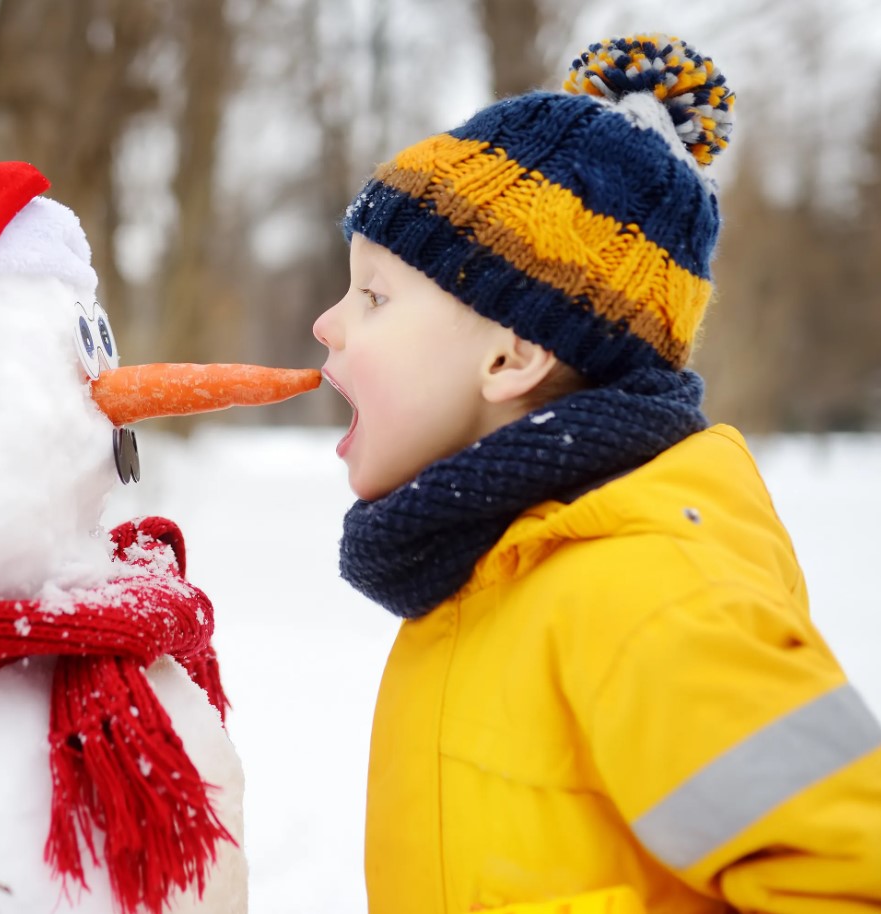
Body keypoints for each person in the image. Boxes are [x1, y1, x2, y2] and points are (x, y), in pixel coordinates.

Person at [312, 34, 881, 914]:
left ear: (512, 355)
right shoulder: (487, 573)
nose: (326, 324)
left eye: (375, 297)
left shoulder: (650, 595)